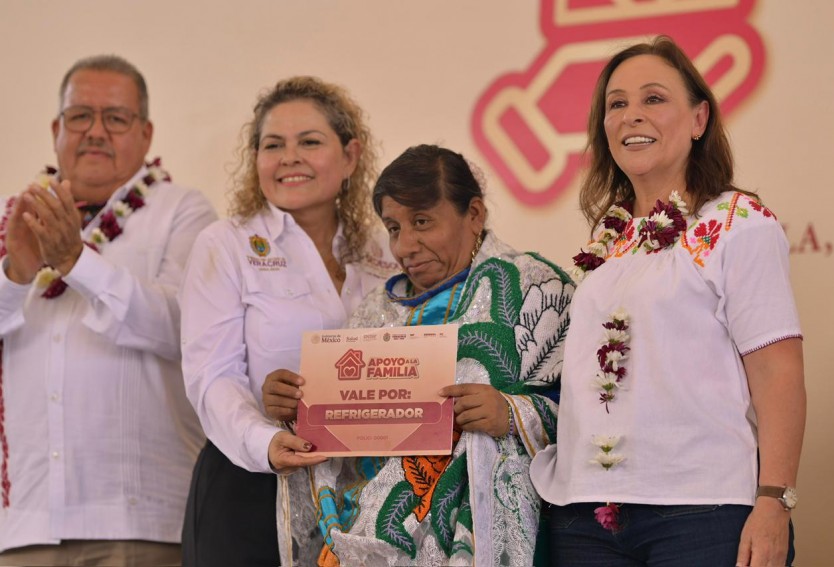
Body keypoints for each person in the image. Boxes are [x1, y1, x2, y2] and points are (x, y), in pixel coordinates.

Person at [529, 36, 805, 567]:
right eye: (617, 104)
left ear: (699, 119)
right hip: (586, 513)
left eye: (653, 98)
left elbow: (779, 373)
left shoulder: (738, 223)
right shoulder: (609, 237)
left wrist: (774, 501)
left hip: (701, 510)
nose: (632, 115)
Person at [263, 144, 574, 566]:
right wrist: (294, 407)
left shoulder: (535, 288)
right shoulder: (376, 309)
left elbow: (593, 415)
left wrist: (512, 413)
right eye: (393, 228)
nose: (405, 246)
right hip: (369, 539)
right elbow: (336, 436)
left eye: (422, 222)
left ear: (474, 214)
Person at [0, 55, 217, 566]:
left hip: (138, 523)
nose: (95, 131)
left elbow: (183, 328)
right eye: (80, 116)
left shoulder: (182, 212)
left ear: (145, 133)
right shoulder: (13, 218)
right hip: (28, 522)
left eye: (115, 118)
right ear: (56, 129)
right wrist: (15, 274)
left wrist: (76, 262)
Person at [178, 76, 398, 567]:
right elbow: (212, 376)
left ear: (351, 156)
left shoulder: (385, 250)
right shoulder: (225, 244)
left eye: (310, 142)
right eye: (273, 145)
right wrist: (266, 440)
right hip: (251, 483)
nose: (289, 157)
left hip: (364, 493)